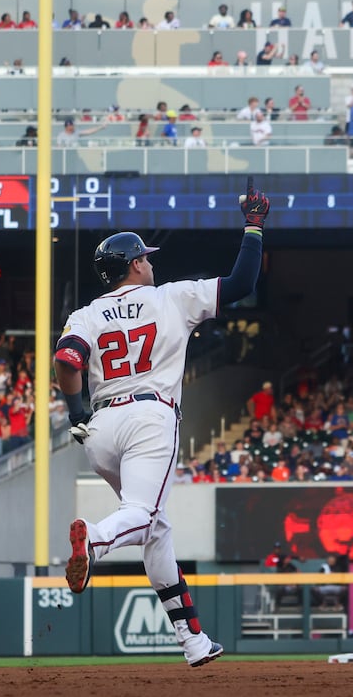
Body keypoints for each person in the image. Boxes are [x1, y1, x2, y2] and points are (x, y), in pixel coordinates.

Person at [54, 187, 269, 668]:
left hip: (101, 428)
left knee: (156, 530)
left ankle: (192, 640)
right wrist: (253, 224)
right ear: (134, 265)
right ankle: (94, 538)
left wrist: (75, 412)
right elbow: (240, 283)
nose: (150, 263)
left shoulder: (85, 315)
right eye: (145, 258)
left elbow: (67, 362)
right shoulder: (170, 297)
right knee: (143, 517)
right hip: (150, 416)